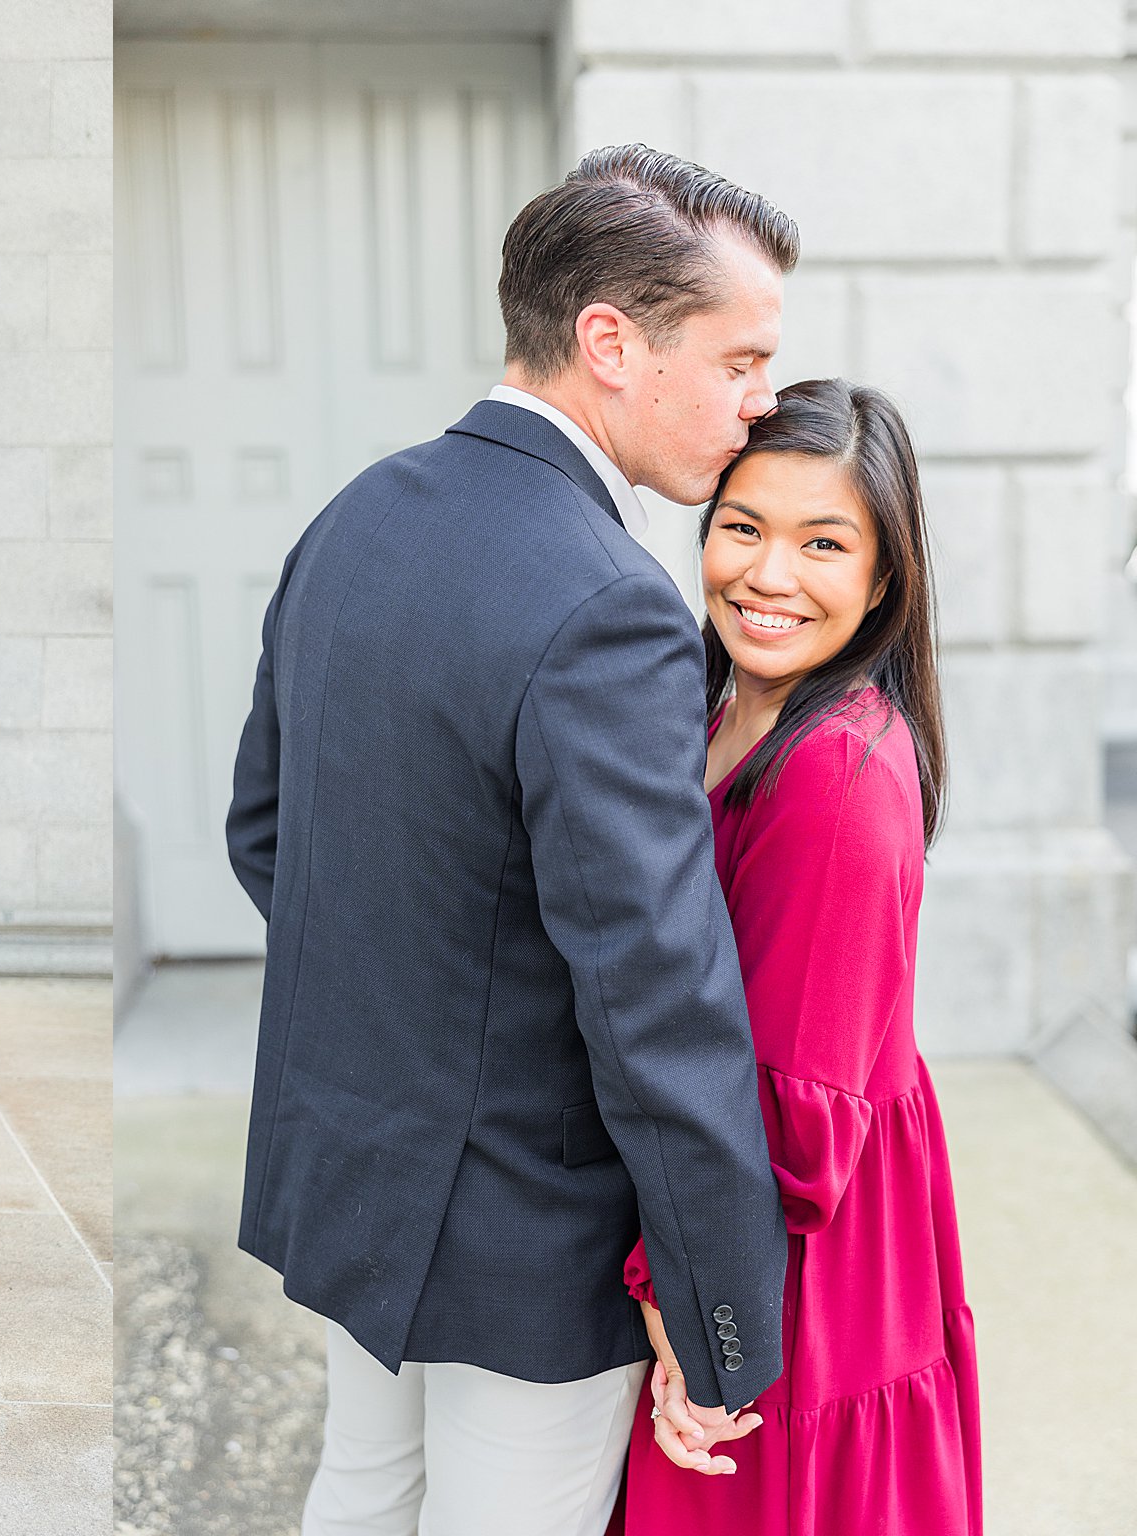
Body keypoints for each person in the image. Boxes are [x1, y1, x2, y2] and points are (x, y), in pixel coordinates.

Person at [224, 145, 795, 1536]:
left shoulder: (349, 521)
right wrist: (723, 1316)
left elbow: (264, 835)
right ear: (611, 341)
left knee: (361, 1496)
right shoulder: (611, 603)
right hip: (528, 1227)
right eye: (739, 359)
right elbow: (655, 994)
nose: (759, 401)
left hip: (354, 1176)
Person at [614, 379, 980, 1534]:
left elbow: (792, 1118)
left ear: (881, 578)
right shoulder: (711, 704)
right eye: (741, 528)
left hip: (788, 1245)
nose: (766, 576)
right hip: (728, 1203)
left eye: (821, 543)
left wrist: (685, 1303)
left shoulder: (836, 771)